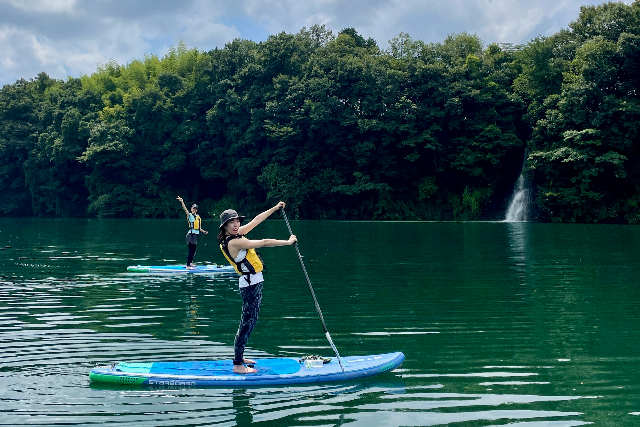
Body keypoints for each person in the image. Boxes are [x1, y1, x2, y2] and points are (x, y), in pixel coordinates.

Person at [218, 201, 297, 374]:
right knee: (247, 322)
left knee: (249, 321)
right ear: (224, 226)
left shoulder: (237, 235)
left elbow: (256, 220)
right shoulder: (233, 243)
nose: (236, 224)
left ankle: (240, 356)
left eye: (237, 221)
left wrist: (275, 208)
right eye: (232, 223)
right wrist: (288, 242)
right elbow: (263, 242)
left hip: (254, 282)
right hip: (250, 284)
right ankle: (238, 364)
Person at [177, 196, 208, 268]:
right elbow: (185, 209)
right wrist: (182, 201)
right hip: (191, 235)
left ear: (196, 210)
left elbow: (199, 228)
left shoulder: (198, 217)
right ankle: (188, 265)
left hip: (196, 234)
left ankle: (190, 263)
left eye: (195, 209)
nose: (194, 210)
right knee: (190, 250)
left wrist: (204, 231)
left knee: (193, 250)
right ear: (191, 209)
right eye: (193, 208)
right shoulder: (190, 215)